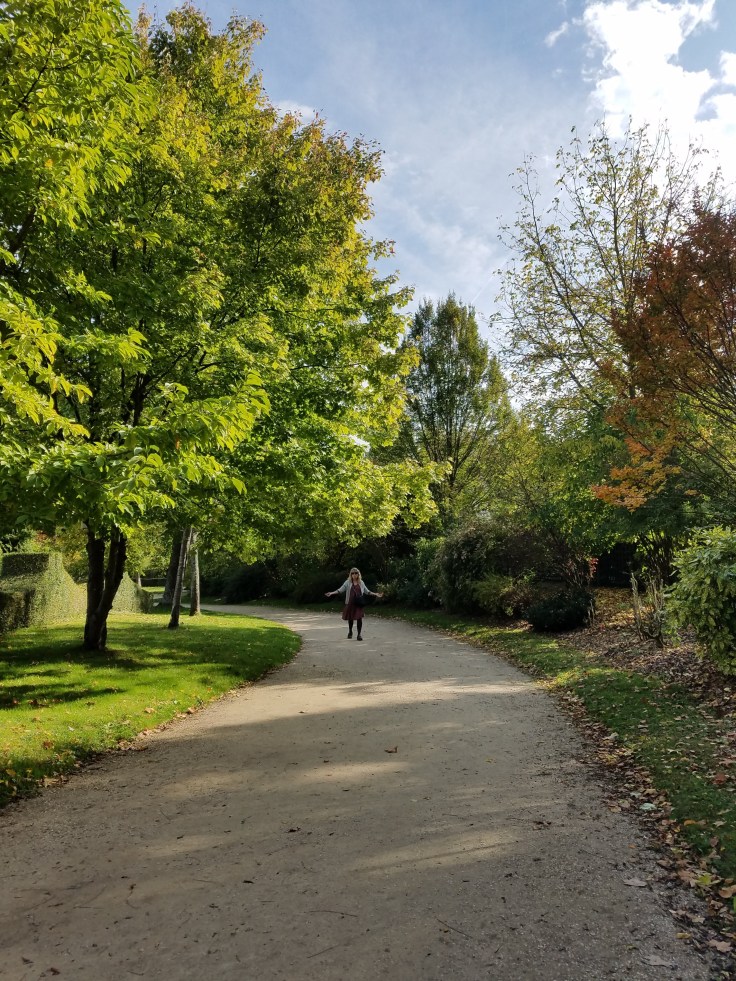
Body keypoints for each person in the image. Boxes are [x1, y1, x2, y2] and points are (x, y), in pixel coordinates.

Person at [325, 567, 383, 641]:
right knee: (350, 618)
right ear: (350, 574)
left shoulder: (361, 582)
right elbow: (340, 590)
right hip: (350, 603)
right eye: (352, 573)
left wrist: (376, 594)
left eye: (356, 573)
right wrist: (331, 593)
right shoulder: (347, 582)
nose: (354, 575)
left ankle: (359, 635)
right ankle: (350, 631)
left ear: (358, 574)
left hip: (358, 603)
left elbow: (367, 591)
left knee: (359, 618)